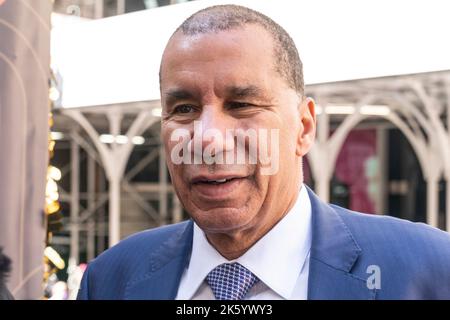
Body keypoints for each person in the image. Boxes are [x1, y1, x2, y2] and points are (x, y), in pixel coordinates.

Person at [77, 4, 450, 300]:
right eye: (185, 109)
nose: (208, 139)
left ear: (303, 128)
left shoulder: (430, 269)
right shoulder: (111, 280)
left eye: (241, 105)